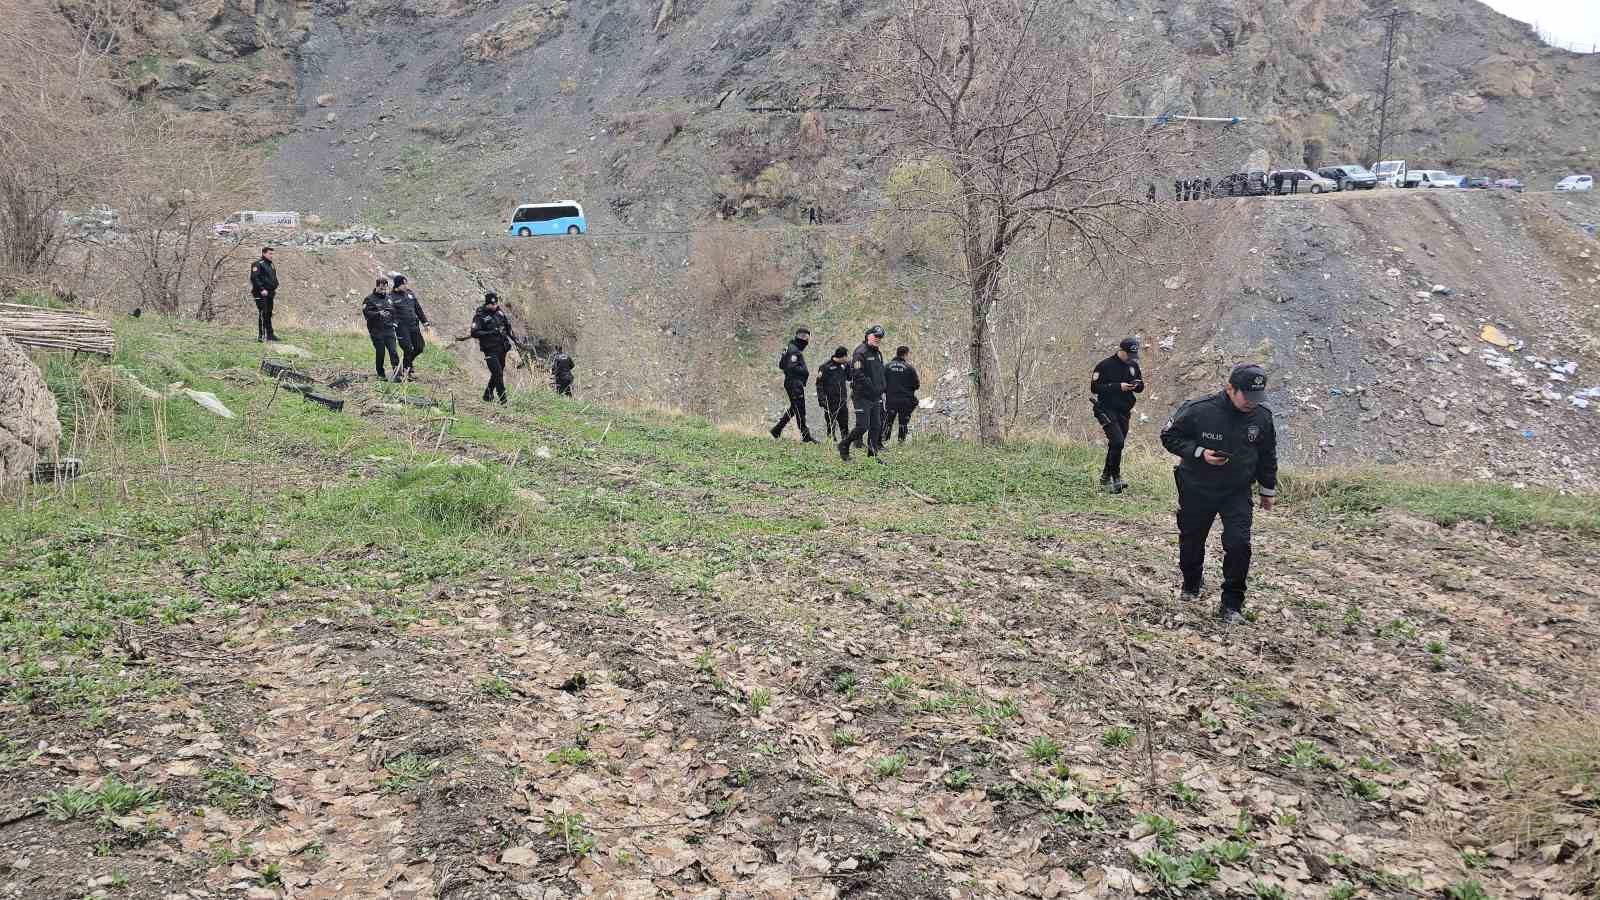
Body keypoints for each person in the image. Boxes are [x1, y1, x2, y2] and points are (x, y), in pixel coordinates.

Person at [1159, 364, 1279, 625]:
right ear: (1230, 389)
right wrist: (1200, 453)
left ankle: (1231, 606)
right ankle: (1191, 583)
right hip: (1196, 486)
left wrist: (1267, 490)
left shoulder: (1262, 417)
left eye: (1257, 398)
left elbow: (1267, 454)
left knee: (1239, 544)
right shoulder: (1199, 409)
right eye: (1246, 396)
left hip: (1236, 490)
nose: (1252, 403)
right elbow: (1168, 437)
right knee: (1191, 541)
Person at [1090, 337, 1145, 493]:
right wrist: (1117, 387)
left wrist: (1136, 385)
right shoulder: (1105, 365)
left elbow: (1141, 387)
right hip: (1106, 408)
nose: (1130, 358)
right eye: (1128, 354)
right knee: (1118, 441)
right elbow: (1094, 388)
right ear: (1121, 350)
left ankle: (1105, 478)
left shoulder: (1133, 365)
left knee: (1116, 444)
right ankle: (1116, 477)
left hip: (1124, 410)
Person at [838, 325, 887, 462]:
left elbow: (880, 373)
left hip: (875, 396)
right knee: (862, 426)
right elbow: (857, 374)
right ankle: (844, 445)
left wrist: (883, 387)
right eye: (875, 336)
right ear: (868, 336)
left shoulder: (877, 352)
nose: (878, 339)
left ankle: (872, 454)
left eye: (880, 337)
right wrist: (873, 388)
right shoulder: (860, 352)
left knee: (876, 426)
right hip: (862, 396)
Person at [463, 291, 515, 404]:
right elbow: (474, 333)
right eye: (492, 304)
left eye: (496, 303)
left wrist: (516, 340)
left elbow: (508, 327)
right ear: (487, 304)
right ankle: (504, 400)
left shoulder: (499, 312)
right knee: (498, 373)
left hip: (502, 348)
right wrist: (491, 332)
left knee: (498, 372)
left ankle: (488, 394)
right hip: (490, 349)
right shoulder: (480, 316)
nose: (495, 306)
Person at [769, 327, 816, 443]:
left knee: (794, 408)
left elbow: (781, 365)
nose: (807, 342)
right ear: (802, 337)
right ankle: (806, 437)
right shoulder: (794, 350)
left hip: (791, 382)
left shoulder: (788, 348)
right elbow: (791, 367)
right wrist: (804, 371)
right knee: (800, 409)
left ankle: (777, 430)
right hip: (794, 383)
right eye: (806, 338)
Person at [387, 273, 430, 381]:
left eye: (406, 284)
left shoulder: (409, 293)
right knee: (408, 348)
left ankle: (407, 364)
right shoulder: (391, 297)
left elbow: (418, 308)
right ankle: (407, 370)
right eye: (404, 284)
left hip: (414, 325)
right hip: (401, 327)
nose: (406, 286)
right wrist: (393, 324)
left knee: (420, 347)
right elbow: (389, 313)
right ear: (397, 285)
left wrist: (425, 322)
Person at [361, 277, 400, 381]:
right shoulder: (369, 299)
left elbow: (395, 312)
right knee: (381, 352)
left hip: (389, 329)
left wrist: (395, 323)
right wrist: (378, 313)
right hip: (376, 331)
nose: (383, 291)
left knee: (393, 351)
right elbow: (366, 313)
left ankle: (398, 374)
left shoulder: (389, 298)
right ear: (377, 287)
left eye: (385, 289)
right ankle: (381, 374)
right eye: (382, 288)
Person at [882, 345, 920, 445]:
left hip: (891, 400)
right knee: (903, 422)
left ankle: (883, 442)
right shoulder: (909, 368)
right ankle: (901, 442)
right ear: (906, 354)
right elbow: (916, 385)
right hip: (905, 401)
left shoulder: (887, 367)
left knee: (888, 422)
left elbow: (882, 383)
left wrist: (888, 391)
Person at [816, 346, 850, 441]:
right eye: (846, 357)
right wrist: (822, 399)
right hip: (830, 402)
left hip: (842, 401)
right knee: (831, 426)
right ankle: (831, 445)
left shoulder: (844, 366)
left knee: (844, 426)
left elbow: (849, 377)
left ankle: (845, 445)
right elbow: (819, 385)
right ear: (842, 356)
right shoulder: (825, 367)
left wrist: (848, 367)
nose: (847, 359)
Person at [250, 246, 279, 342]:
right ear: (264, 253)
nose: (272, 256)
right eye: (270, 254)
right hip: (261, 293)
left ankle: (270, 334)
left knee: (269, 313)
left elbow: (273, 277)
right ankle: (261, 335)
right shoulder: (257, 264)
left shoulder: (271, 264)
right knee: (263, 313)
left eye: (272, 254)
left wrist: (275, 286)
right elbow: (254, 278)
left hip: (270, 293)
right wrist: (262, 289)